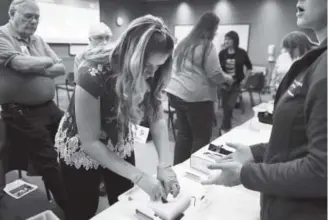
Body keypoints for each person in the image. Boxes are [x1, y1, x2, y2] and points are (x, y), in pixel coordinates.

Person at [202, 0, 327, 219]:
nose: (299, 1)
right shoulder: (318, 60)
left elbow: (321, 171)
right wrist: (256, 152)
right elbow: (300, 142)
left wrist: (245, 174)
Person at [55, 15, 180, 220]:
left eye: (159, 66)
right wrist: (139, 175)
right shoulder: (92, 73)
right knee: (83, 208)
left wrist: (164, 165)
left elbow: (157, 115)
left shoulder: (154, 71)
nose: (152, 73)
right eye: (148, 66)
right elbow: (90, 142)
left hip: (117, 135)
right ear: (131, 56)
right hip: (82, 144)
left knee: (124, 198)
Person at [0, 0, 67, 211]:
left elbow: (62, 67)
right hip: (19, 109)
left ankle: (82, 184)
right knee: (46, 154)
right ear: (12, 14)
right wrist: (46, 61)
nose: (33, 21)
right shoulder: (2, 36)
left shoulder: (37, 39)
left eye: (36, 17)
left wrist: (35, 65)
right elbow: (19, 63)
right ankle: (68, 204)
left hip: (48, 106)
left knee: (76, 136)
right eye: (28, 16)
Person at [165, 12, 233, 165]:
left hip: (176, 93)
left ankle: (179, 168)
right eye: (216, 28)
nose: (216, 32)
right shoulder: (207, 45)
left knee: (184, 134)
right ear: (211, 28)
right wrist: (228, 79)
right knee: (201, 136)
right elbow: (215, 74)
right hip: (195, 97)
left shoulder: (184, 43)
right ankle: (195, 170)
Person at [218, 31, 253, 134]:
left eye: (229, 39)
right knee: (225, 108)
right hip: (224, 84)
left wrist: (245, 80)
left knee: (230, 106)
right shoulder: (222, 53)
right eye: (225, 39)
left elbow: (250, 68)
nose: (226, 41)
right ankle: (226, 127)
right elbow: (218, 69)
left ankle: (224, 128)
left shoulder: (242, 53)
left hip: (236, 84)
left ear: (235, 40)